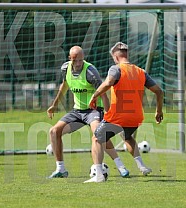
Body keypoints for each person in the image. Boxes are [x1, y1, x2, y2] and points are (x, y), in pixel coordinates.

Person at [84, 42, 164, 183]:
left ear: (115, 56)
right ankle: (142, 166)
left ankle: (98, 176)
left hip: (118, 116)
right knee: (127, 137)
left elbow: (108, 82)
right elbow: (159, 91)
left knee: (97, 138)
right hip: (136, 117)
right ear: (127, 54)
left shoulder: (116, 69)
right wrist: (158, 110)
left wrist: (95, 95)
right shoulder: (140, 72)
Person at [47, 46, 129, 178]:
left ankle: (120, 166)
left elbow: (103, 93)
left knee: (99, 134)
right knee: (54, 131)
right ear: (70, 59)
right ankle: (60, 169)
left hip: (94, 111)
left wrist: (108, 115)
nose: (78, 63)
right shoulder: (65, 68)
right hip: (78, 112)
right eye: (75, 60)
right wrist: (54, 105)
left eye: (80, 60)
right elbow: (64, 85)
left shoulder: (90, 72)